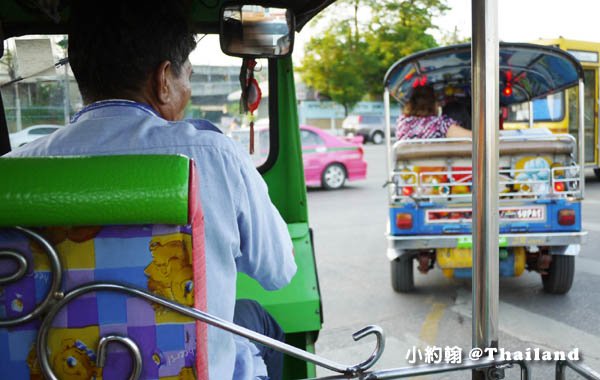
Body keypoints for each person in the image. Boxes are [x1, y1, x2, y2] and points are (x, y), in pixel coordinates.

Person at [4, 1, 296, 379]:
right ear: (163, 80)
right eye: (185, 76)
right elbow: (279, 271)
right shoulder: (212, 156)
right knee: (258, 319)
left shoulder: (12, 172)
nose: (186, 90)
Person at [396, 85, 472, 140]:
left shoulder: (402, 123)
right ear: (433, 104)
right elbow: (471, 137)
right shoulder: (439, 124)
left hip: (408, 162)